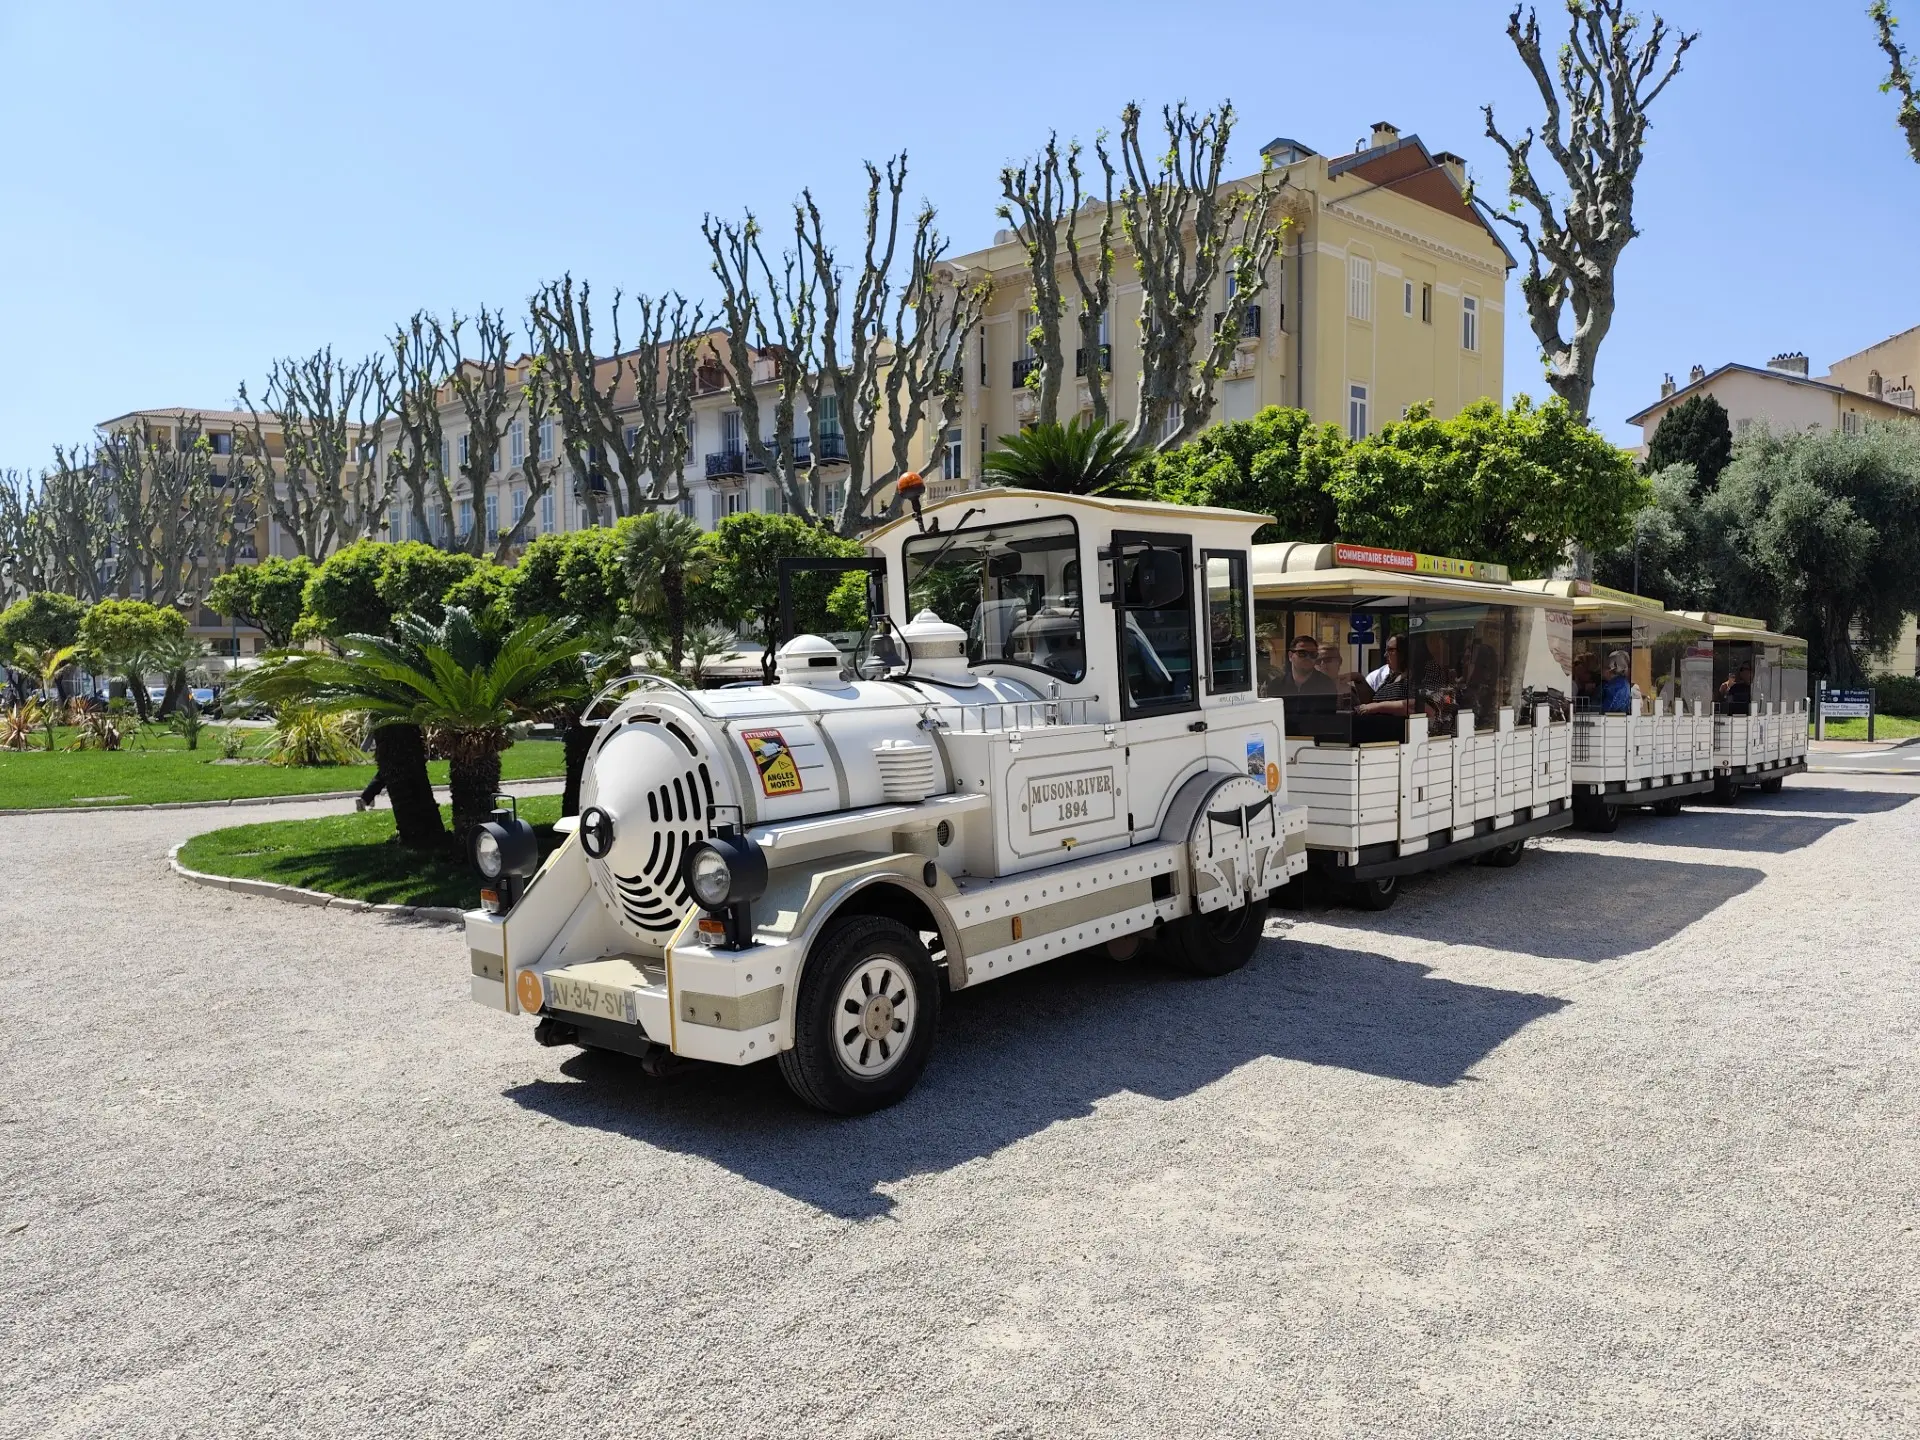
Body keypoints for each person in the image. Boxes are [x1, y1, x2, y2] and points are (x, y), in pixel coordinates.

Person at [1357, 634, 1414, 716]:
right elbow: (1371, 701)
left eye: (1391, 650)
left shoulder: (1413, 678)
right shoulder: (1389, 678)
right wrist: (1358, 678)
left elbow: (1413, 706)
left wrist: (1376, 707)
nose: (1385, 655)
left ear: (1403, 653)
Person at [1269, 634, 1336, 696]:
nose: (1308, 657)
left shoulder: (1326, 685)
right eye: (1302, 653)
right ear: (1290, 656)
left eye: (1312, 654)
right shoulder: (1277, 685)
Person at [1600, 649, 1633, 714]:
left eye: (1605, 667)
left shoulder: (1617, 686)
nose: (1601, 670)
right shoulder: (1618, 684)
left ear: (1612, 669)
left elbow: (1608, 709)